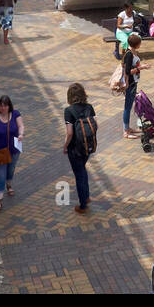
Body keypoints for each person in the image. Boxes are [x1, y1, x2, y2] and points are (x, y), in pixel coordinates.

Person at [63, 83, 96, 215]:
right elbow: (96, 125)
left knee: (79, 175)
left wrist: (65, 146)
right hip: (88, 146)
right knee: (82, 170)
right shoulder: (89, 107)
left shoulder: (69, 111)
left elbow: (70, 133)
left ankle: (83, 204)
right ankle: (86, 196)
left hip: (75, 148)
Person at [121, 33, 150, 139]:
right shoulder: (129, 55)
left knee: (129, 106)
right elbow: (128, 71)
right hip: (130, 84)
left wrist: (142, 66)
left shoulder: (132, 52)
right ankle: (126, 131)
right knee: (127, 108)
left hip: (133, 83)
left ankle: (128, 128)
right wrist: (141, 68)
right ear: (137, 44)